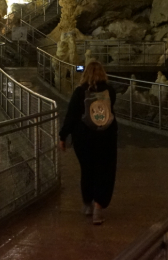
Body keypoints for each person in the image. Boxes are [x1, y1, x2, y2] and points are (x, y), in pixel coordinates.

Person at [58, 60, 118, 225]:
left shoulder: (79, 92)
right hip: (105, 138)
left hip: (83, 139)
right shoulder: (110, 91)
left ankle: (87, 204)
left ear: (85, 74)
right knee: (104, 172)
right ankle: (98, 208)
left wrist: (63, 136)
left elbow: (71, 116)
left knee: (87, 170)